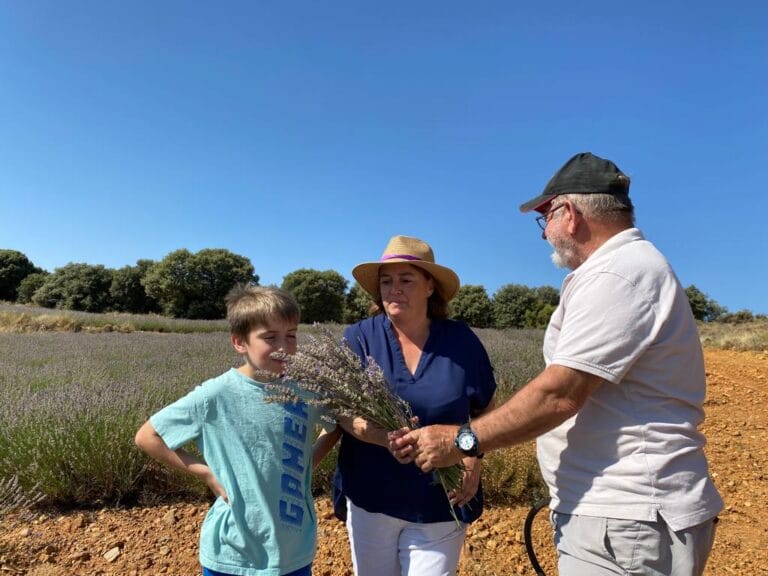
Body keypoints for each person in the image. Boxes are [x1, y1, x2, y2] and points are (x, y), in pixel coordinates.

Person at [394, 153, 724, 576]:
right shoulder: (621, 270)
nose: (545, 233)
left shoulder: (618, 275)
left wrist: (462, 441)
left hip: (627, 517)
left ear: (568, 214)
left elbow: (560, 393)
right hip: (622, 517)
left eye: (544, 219)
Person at [135, 285, 335, 576]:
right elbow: (147, 437)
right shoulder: (215, 394)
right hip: (232, 552)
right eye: (269, 337)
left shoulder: (304, 390)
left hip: (293, 550)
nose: (284, 346)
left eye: (291, 335)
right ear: (239, 342)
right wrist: (205, 473)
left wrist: (310, 459)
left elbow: (336, 425)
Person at [333, 235, 497, 576]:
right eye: (386, 281)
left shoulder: (461, 341)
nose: (394, 289)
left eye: (406, 280)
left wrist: (471, 457)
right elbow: (343, 412)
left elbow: (488, 411)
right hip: (371, 498)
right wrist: (383, 437)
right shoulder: (360, 337)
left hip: (441, 501)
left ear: (429, 287)